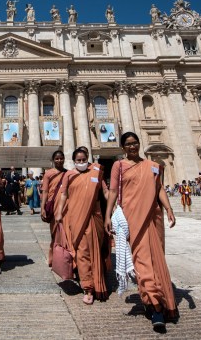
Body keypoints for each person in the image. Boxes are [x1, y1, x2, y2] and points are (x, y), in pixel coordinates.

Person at [104, 132, 178, 329]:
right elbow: (112, 191)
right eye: (128, 144)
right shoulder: (118, 166)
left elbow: (159, 188)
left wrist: (169, 209)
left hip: (153, 217)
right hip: (131, 218)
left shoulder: (152, 166)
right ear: (122, 147)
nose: (132, 147)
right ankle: (155, 307)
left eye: (135, 143)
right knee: (142, 260)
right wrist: (107, 215)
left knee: (155, 259)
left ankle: (157, 300)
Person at [55, 148, 109, 305]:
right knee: (82, 252)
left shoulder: (96, 172)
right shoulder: (69, 175)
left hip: (95, 217)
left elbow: (105, 192)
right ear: (73, 161)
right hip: (76, 217)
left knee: (96, 250)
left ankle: (99, 282)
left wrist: (115, 206)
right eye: (78, 160)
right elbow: (64, 194)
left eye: (83, 159)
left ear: (88, 159)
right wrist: (59, 212)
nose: (81, 162)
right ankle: (88, 288)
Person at [41, 150, 67, 266]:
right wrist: (42, 207)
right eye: (57, 159)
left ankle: (64, 258)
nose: (59, 160)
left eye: (61, 158)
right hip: (53, 205)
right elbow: (45, 191)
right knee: (54, 233)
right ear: (53, 160)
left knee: (65, 233)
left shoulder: (68, 173)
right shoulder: (48, 174)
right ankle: (52, 257)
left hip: (65, 206)